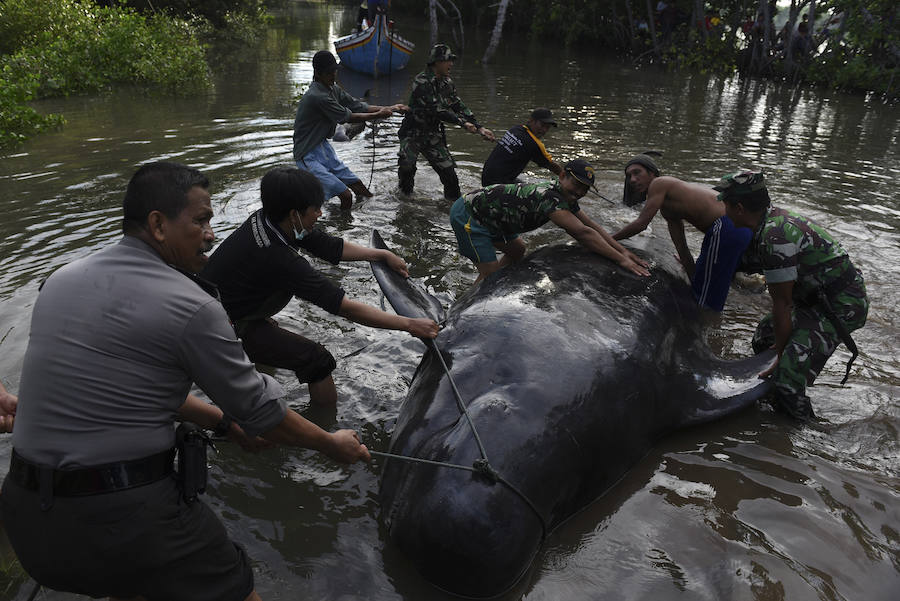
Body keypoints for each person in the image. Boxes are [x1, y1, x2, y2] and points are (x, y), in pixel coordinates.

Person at [0, 161, 370, 601]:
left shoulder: (59, 282)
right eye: (200, 221)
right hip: (128, 517)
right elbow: (262, 413)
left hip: (30, 526)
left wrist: (219, 422)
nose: (211, 234)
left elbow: (135, 388)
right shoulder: (193, 304)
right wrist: (332, 444)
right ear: (158, 225)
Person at [201, 167, 439, 406]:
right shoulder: (279, 258)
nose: (320, 213)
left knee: (270, 343)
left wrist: (380, 254)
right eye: (315, 209)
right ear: (294, 214)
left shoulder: (269, 220)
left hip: (220, 308)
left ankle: (254, 354)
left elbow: (328, 246)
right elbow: (344, 307)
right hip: (219, 329)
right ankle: (324, 430)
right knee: (317, 360)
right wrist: (409, 324)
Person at [718, 170, 868, 421]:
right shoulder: (768, 222)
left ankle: (803, 435)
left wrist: (782, 355)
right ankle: (773, 396)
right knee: (763, 337)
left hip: (842, 306)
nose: (724, 210)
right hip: (815, 300)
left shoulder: (775, 237)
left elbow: (782, 304)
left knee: (787, 380)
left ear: (740, 208)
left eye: (726, 204)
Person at [450, 158, 650, 283]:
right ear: (562, 176)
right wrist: (621, 260)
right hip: (470, 216)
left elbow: (591, 225)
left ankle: (490, 283)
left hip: (494, 217)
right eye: (576, 184)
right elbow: (583, 233)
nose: (579, 192)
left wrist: (624, 250)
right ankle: (466, 306)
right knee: (490, 277)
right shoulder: (550, 198)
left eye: (585, 189)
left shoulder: (564, 196)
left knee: (518, 251)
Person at [614, 155, 752, 312]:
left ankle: (712, 325)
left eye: (637, 173)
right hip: (731, 229)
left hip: (727, 226)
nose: (632, 180)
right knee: (704, 282)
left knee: (706, 300)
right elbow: (682, 248)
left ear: (652, 173)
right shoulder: (668, 210)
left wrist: (608, 239)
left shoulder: (660, 183)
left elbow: (641, 224)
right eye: (629, 176)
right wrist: (693, 277)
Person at [293, 50, 407, 211]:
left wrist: (391, 108)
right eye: (329, 73)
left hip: (322, 147)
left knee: (360, 187)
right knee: (346, 196)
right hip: (307, 154)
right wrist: (378, 115)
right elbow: (347, 117)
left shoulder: (332, 89)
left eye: (334, 71)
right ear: (317, 74)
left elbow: (358, 105)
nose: (333, 75)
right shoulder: (317, 96)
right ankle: (342, 226)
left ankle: (364, 213)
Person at [397, 43, 495, 200]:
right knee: (407, 167)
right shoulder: (421, 82)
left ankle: (453, 207)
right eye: (448, 60)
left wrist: (479, 127)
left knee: (450, 176)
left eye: (452, 60)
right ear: (437, 62)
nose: (451, 64)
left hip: (432, 134)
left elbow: (457, 105)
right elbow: (436, 110)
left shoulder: (447, 83)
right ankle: (404, 201)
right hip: (412, 133)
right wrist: (463, 123)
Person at [481, 107, 563, 186]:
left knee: (525, 185)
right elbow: (552, 166)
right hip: (498, 184)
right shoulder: (534, 144)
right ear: (531, 120)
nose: (544, 130)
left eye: (547, 127)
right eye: (542, 125)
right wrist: (567, 177)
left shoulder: (516, 129)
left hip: (486, 177)